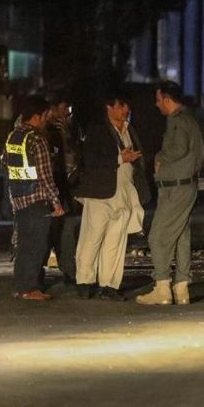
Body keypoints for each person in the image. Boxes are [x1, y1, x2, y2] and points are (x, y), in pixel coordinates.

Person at [73, 92, 149, 300]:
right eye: (121, 106)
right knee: (92, 237)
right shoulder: (97, 129)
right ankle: (84, 280)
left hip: (124, 191)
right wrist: (119, 158)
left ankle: (109, 285)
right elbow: (90, 160)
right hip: (100, 192)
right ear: (109, 107)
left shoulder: (129, 129)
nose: (126, 110)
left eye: (127, 106)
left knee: (116, 241)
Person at [137, 81, 204, 306]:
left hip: (175, 188)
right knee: (181, 237)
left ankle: (162, 288)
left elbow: (178, 149)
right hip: (184, 186)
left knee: (157, 236)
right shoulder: (190, 120)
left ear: (167, 99)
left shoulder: (177, 121)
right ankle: (181, 288)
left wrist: (159, 158)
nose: (157, 105)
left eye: (158, 100)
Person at [1, 96, 65, 300]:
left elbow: (5, 166)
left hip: (19, 198)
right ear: (37, 116)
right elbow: (45, 175)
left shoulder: (13, 136)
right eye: (45, 116)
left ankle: (20, 287)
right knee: (37, 245)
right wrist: (56, 202)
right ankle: (30, 288)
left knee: (23, 245)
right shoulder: (37, 139)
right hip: (37, 200)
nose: (46, 120)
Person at [44, 92, 78, 284]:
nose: (67, 113)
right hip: (47, 186)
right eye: (65, 108)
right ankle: (36, 273)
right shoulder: (42, 129)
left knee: (64, 229)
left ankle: (68, 270)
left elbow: (71, 154)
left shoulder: (65, 128)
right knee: (48, 229)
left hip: (63, 184)